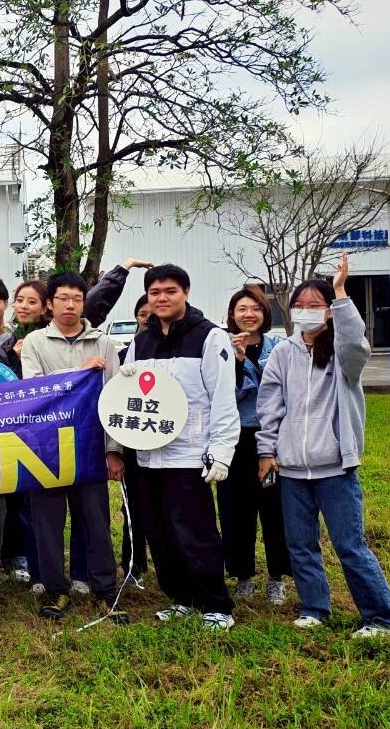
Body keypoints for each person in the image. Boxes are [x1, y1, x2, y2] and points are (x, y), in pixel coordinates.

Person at [256, 255, 390, 638]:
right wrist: (267, 451)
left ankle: (385, 618)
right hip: (292, 470)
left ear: (329, 312)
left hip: (336, 468)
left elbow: (355, 342)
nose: (305, 312)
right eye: (299, 305)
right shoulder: (283, 353)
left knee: (350, 545)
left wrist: (340, 293)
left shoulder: (343, 354)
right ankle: (314, 608)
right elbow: (270, 407)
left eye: (315, 305)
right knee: (300, 545)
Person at [123, 265, 239, 630]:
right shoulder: (141, 341)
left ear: (185, 292)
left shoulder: (209, 337)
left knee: (194, 531)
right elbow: (127, 395)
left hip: (189, 454)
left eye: (170, 291)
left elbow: (223, 399)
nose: (162, 298)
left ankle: (216, 605)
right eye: (154, 292)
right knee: (160, 533)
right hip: (148, 454)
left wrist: (222, 452)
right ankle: (182, 598)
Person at [19, 272, 125, 620]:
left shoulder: (103, 343)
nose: (70, 305)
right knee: (48, 524)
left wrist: (113, 450)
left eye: (76, 299)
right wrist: (80, 373)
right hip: (47, 447)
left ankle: (105, 589)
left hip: (91, 446)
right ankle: (56, 590)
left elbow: (114, 398)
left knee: (95, 521)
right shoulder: (35, 342)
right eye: (63, 298)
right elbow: (34, 390)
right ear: (49, 304)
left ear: (84, 303)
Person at [220, 285, 291, 605]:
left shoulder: (280, 347)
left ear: (265, 313)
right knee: (236, 510)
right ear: (232, 315)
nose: (249, 315)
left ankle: (277, 577)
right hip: (235, 439)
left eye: (256, 309)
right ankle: (243, 576)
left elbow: (283, 391)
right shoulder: (222, 347)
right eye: (242, 309)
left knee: (275, 508)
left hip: (272, 437)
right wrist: (236, 362)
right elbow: (223, 395)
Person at [0, 281, 49, 590]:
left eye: (32, 301)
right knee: (17, 496)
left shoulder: (50, 337)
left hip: (47, 427)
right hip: (16, 429)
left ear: (45, 306)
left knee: (41, 499)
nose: (24, 306)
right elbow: (6, 388)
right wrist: (7, 359)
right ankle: (16, 556)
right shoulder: (9, 344)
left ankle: (41, 559)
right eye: (20, 300)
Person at [117, 293, 152, 585]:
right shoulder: (126, 354)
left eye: (153, 314)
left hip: (167, 440)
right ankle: (133, 564)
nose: (148, 319)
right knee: (132, 505)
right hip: (131, 440)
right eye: (143, 314)